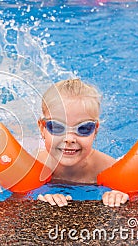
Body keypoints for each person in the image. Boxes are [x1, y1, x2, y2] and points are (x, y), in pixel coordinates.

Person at [36, 78, 129, 207]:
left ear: (95, 130)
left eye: (83, 128)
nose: (69, 139)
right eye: (57, 127)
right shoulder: (34, 165)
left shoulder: (107, 168)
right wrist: (41, 196)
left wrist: (117, 194)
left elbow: (135, 192)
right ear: (42, 128)